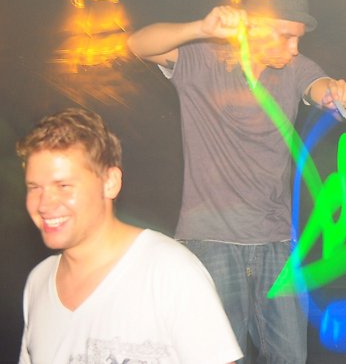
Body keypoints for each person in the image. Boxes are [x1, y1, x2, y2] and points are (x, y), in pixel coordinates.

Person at [126, 0, 346, 364]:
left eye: (299, 39)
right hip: (210, 241)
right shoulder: (203, 59)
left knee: (290, 357)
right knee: (219, 357)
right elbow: (138, 44)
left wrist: (341, 97)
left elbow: (324, 90)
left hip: (276, 242)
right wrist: (201, 28)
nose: (295, 48)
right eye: (286, 36)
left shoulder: (296, 68)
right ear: (256, 27)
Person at [16, 108, 242, 364]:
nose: (44, 204)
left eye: (63, 186)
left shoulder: (169, 271)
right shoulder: (38, 283)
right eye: (34, 188)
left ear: (110, 183)